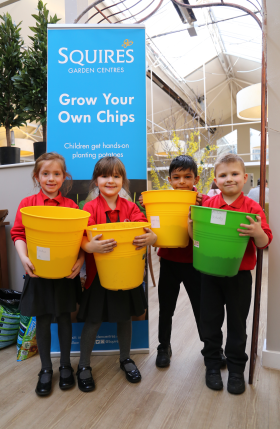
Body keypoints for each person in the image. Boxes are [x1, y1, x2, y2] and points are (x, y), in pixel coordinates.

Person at [189, 153, 272, 395]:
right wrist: (192, 224)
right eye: (223, 175)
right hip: (209, 273)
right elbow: (197, 239)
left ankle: (236, 369)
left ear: (245, 178)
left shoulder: (252, 207)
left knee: (237, 322)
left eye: (234, 174)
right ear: (215, 180)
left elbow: (265, 242)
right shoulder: (208, 205)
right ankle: (212, 365)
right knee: (210, 320)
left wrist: (256, 230)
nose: (229, 179)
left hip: (239, 276)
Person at [77, 156, 157, 392]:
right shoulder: (89, 208)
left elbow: (146, 230)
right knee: (93, 321)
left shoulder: (132, 207)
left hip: (126, 274)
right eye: (104, 175)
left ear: (123, 180)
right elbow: (80, 236)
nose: (110, 180)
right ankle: (83, 365)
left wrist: (152, 237)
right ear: (96, 181)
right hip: (98, 276)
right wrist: (88, 246)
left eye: (116, 176)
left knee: (124, 318)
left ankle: (125, 358)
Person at [141, 155, 226, 369]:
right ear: (169, 180)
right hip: (169, 261)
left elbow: (214, 213)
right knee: (166, 307)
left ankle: (210, 347)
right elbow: (150, 214)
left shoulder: (202, 200)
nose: (181, 182)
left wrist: (204, 203)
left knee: (201, 306)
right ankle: (163, 346)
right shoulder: (165, 199)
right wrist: (147, 203)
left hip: (194, 263)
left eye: (187, 177)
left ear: (196, 179)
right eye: (176, 177)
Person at [11, 152, 84, 396]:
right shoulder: (27, 204)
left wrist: (81, 260)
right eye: (45, 173)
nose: (51, 178)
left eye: (56, 174)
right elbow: (18, 234)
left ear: (64, 177)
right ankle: (45, 368)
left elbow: (81, 238)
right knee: (42, 319)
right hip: (38, 274)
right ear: (36, 176)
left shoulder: (71, 206)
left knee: (64, 317)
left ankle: (65, 366)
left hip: (64, 274)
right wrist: (23, 258)